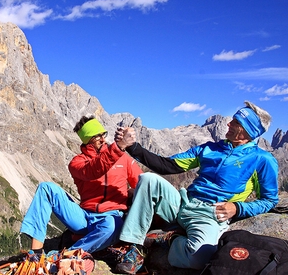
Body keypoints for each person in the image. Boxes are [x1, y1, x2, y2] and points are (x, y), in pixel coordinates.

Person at [113, 101, 279, 274]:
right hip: (183, 203)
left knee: (200, 256)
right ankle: (134, 246)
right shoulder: (209, 148)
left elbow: (270, 200)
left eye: (236, 122)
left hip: (210, 215)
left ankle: (165, 239)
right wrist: (132, 147)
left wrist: (237, 208)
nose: (229, 123)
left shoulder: (262, 160)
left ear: (247, 130)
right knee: (148, 179)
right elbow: (167, 165)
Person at [20, 115, 143, 255]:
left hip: (111, 217)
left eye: (103, 134)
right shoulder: (77, 163)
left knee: (112, 226)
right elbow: (94, 170)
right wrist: (119, 147)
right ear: (87, 141)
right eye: (96, 137)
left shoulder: (123, 158)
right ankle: (35, 252)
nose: (103, 139)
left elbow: (141, 183)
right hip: (84, 217)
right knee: (46, 188)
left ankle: (65, 255)